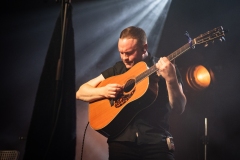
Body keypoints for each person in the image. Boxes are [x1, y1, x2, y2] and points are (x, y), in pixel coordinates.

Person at [76, 26, 187, 160]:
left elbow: (179, 107)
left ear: (144, 48)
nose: (125, 58)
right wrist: (103, 91)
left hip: (156, 142)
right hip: (121, 144)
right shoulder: (118, 69)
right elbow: (80, 92)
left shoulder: (166, 68)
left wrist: (171, 78)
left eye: (129, 53)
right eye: (121, 53)